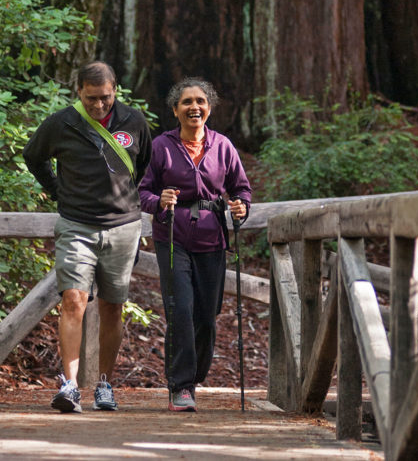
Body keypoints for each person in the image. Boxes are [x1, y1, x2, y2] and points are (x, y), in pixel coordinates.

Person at [23, 61, 152, 413]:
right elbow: (34, 158)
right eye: (92, 98)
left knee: (112, 305)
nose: (99, 106)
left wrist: (122, 202)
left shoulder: (134, 122)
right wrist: (58, 191)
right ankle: (69, 385)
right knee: (74, 301)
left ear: (116, 91)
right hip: (76, 223)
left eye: (106, 98)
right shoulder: (61, 123)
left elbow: (142, 167)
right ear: (78, 91)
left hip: (123, 226)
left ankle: (104, 385)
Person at [138, 77, 252, 411]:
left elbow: (241, 188)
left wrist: (241, 206)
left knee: (206, 315)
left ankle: (195, 376)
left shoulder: (223, 146)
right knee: (181, 309)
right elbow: (142, 191)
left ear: (209, 108)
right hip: (173, 237)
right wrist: (159, 199)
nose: (194, 107)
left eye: (200, 101)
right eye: (186, 102)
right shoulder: (160, 146)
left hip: (212, 238)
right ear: (175, 110)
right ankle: (181, 385)